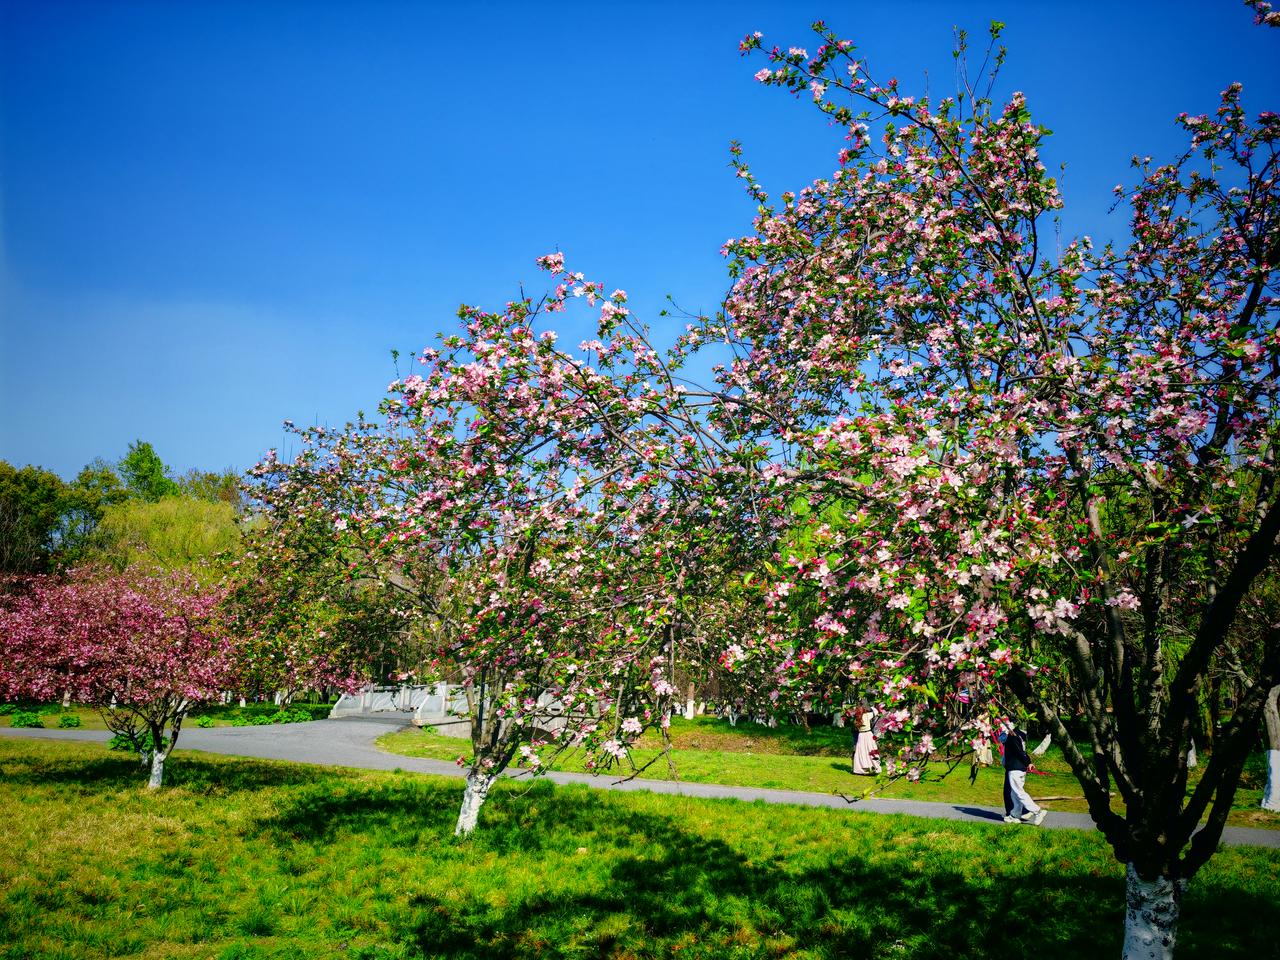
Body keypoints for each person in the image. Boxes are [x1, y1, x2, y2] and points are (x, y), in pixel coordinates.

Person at [1001, 721, 1046, 825]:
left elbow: (1019, 752)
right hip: (1019, 768)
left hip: (1015, 768)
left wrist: (1028, 762)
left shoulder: (1012, 737)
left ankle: (1038, 811)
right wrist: (1028, 762)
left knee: (1019, 792)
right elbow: (1022, 751)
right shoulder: (1019, 735)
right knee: (1014, 793)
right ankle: (1015, 815)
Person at [852, 704, 880, 775]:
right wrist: (869, 706)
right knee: (871, 750)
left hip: (861, 735)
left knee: (861, 752)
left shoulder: (856, 718)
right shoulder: (867, 715)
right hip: (868, 734)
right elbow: (876, 711)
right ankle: (874, 766)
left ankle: (861, 768)